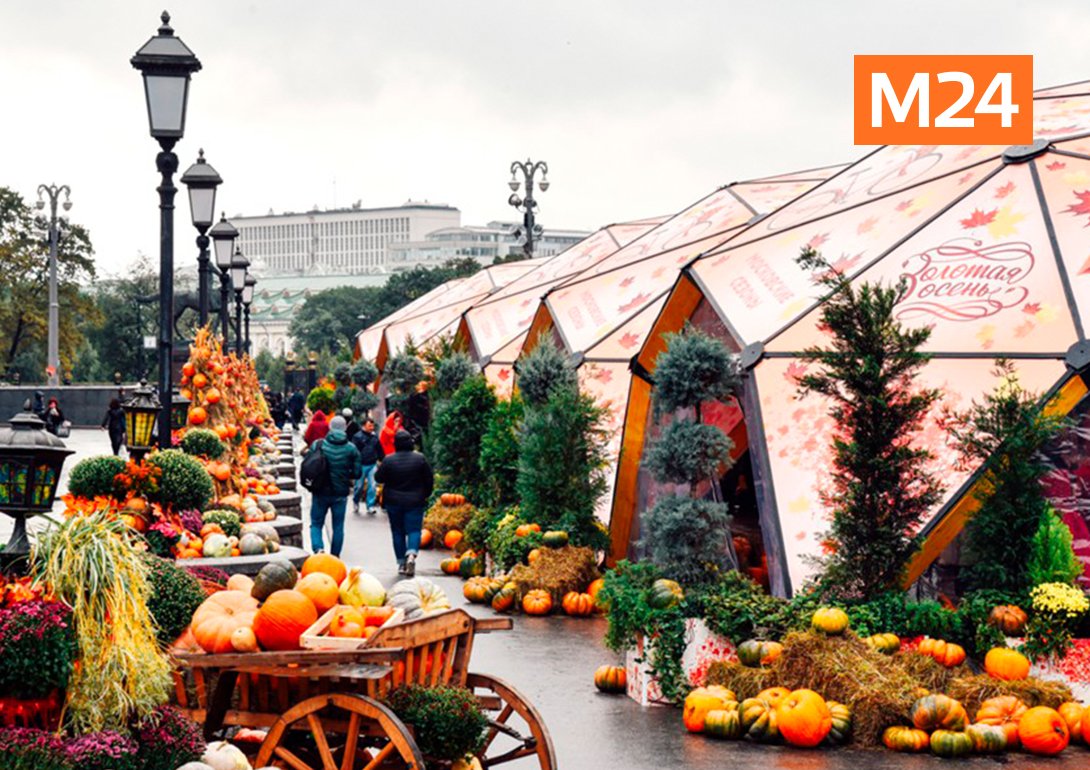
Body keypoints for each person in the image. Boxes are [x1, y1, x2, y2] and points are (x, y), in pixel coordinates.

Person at [374, 429, 433, 576]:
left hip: (393, 501)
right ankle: (412, 554)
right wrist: (425, 494)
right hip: (415, 501)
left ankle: (401, 563)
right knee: (414, 530)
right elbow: (429, 479)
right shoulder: (420, 459)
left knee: (397, 531)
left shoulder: (389, 460)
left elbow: (378, 478)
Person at [305, 415, 361, 556]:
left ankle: (319, 549)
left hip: (320, 491)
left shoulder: (318, 445)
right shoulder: (351, 449)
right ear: (345, 428)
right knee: (338, 527)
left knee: (316, 523)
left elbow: (307, 465)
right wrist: (345, 473)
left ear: (330, 427)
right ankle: (335, 557)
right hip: (340, 493)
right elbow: (357, 473)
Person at [351, 417, 384, 515]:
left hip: (372, 464)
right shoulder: (357, 437)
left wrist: (382, 460)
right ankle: (355, 501)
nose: (372, 427)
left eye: (372, 425)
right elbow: (354, 451)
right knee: (359, 486)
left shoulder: (375, 437)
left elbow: (379, 450)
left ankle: (370, 505)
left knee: (373, 485)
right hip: (361, 464)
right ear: (364, 426)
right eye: (369, 425)